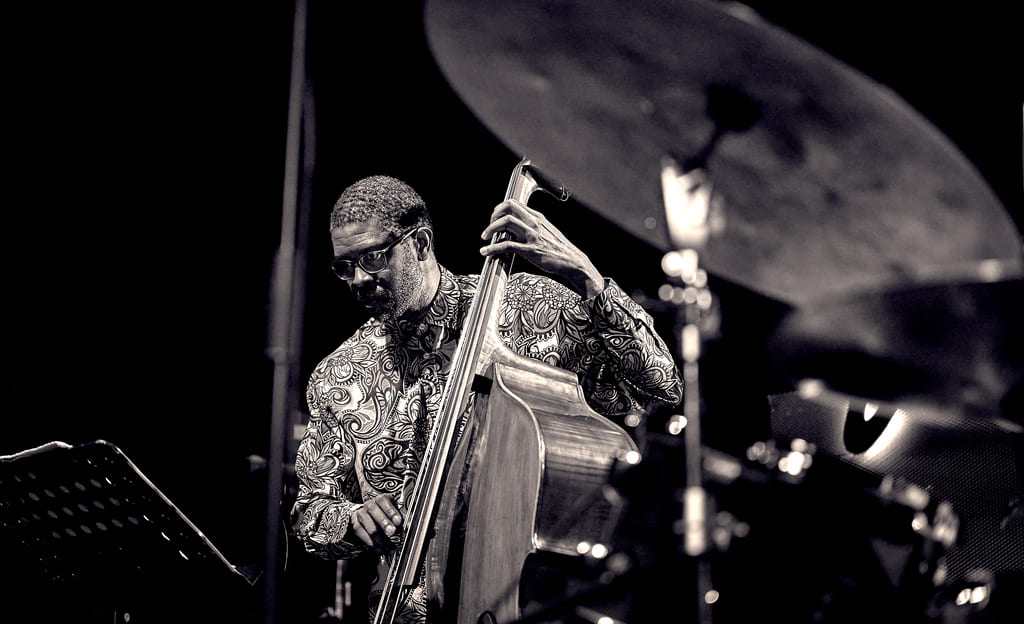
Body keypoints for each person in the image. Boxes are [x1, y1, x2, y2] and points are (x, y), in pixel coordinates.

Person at [290, 173, 683, 623]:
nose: (358, 279)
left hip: (527, 605)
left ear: (421, 244)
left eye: (373, 258)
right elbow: (309, 514)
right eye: (344, 267)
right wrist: (353, 518)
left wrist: (587, 278)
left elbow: (662, 384)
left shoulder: (532, 308)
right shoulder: (338, 374)